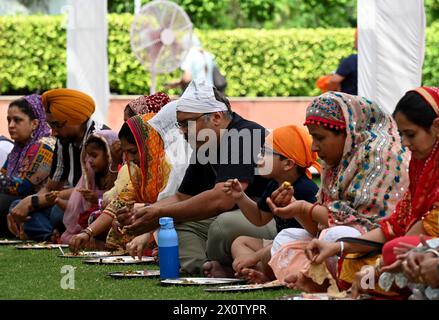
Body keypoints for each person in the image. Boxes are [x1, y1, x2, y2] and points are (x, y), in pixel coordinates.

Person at [117, 80, 272, 275]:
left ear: (216, 117)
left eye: (186, 124)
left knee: (222, 225)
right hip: (231, 221)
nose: (182, 132)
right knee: (177, 225)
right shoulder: (205, 144)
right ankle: (206, 269)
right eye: (179, 125)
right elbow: (183, 197)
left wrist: (159, 216)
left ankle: (230, 267)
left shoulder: (244, 134)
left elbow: (224, 199)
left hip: (269, 220)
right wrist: (144, 213)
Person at [266, 91, 409, 292]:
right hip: (337, 246)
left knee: (337, 235)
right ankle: (309, 279)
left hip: (375, 249)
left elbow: (361, 226)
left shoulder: (382, 158)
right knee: (287, 236)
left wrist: (305, 208)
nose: (314, 147)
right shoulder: (337, 162)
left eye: (320, 138)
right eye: (312, 138)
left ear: (348, 132)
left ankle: (315, 280)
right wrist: (296, 210)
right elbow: (317, 230)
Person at [305, 87, 439, 294]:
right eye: (402, 134)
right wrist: (339, 247)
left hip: (424, 251)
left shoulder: (381, 155)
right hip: (411, 248)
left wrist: (377, 269)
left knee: (395, 254)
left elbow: (414, 234)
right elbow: (394, 226)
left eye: (410, 134)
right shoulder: (421, 165)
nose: (404, 143)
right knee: (351, 261)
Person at [69, 99, 190, 254]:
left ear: (151, 144)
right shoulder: (140, 171)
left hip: (170, 224)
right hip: (151, 224)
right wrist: (87, 232)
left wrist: (143, 217)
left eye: (133, 152)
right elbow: (118, 203)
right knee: (119, 219)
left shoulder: (169, 166)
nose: (129, 159)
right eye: (126, 153)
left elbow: (172, 207)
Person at [215, 125, 320, 282]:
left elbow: (305, 237)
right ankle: (249, 272)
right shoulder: (273, 184)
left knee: (274, 249)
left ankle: (252, 272)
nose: (259, 157)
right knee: (240, 242)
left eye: (265, 153)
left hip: (300, 246)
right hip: (279, 245)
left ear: (288, 164)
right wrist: (240, 196)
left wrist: (254, 257)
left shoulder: (305, 190)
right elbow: (259, 219)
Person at [8, 88, 112, 241]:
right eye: (51, 125)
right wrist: (28, 203)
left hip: (94, 205)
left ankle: (55, 234)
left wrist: (33, 201)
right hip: (65, 204)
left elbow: (86, 192)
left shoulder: (100, 139)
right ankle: (53, 235)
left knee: (58, 212)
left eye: (57, 125)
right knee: (16, 205)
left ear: (75, 118)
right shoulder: (63, 141)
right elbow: (51, 187)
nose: (53, 132)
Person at [0, 95, 55, 237]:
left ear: (34, 124)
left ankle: (51, 235)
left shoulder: (43, 146)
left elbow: (22, 187)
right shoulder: (18, 149)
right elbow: (4, 176)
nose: (11, 125)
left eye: (17, 120)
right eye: (9, 120)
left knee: (12, 203)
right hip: (29, 203)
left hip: (48, 204)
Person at [60, 130, 119, 244]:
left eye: (94, 155)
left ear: (108, 154)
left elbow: (116, 198)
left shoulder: (119, 169)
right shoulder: (91, 175)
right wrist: (57, 199)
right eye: (88, 156)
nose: (90, 161)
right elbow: (78, 207)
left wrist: (98, 199)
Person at [321, 30, 358, 95]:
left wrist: (328, 92)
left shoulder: (352, 60)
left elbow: (334, 81)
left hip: (349, 101)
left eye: (355, 38)